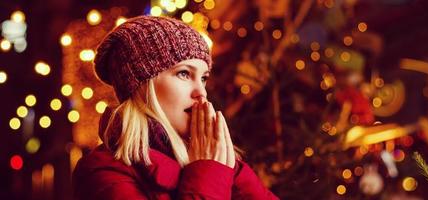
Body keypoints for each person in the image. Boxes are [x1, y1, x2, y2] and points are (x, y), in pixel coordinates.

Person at [72, 15, 279, 200]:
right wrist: (209, 171)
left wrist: (220, 163)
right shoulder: (102, 172)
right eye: (184, 73)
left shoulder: (217, 156)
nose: (201, 92)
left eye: (204, 78)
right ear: (143, 86)